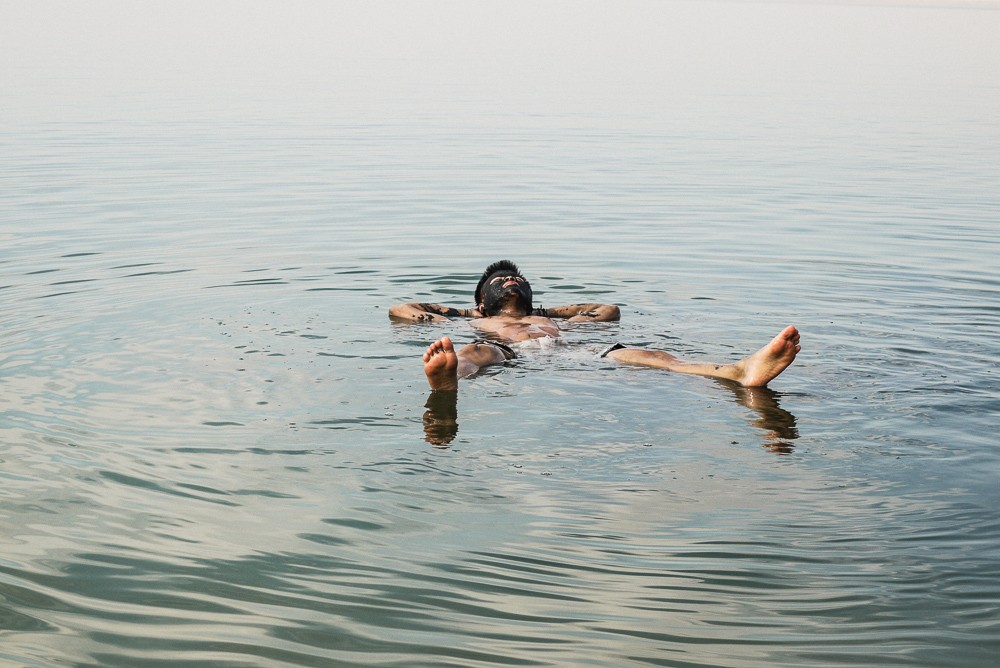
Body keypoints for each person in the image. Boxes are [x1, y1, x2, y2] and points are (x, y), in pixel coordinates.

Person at [390, 260, 801, 392]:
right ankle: (450, 379)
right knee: (473, 353)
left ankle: (737, 371)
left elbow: (607, 310)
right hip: (509, 351)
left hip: (573, 352)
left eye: (518, 279)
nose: (511, 281)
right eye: (501, 281)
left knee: (652, 355)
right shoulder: (482, 318)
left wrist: (547, 312)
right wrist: (466, 317)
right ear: (482, 300)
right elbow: (401, 309)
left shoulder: (544, 316)